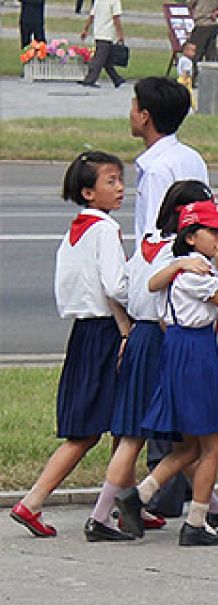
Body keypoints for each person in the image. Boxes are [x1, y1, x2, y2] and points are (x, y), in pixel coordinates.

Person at [89, 181, 218, 542]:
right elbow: (165, 298)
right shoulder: (177, 256)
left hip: (140, 334)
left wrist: (126, 329)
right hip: (162, 339)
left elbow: (120, 287)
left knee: (182, 436)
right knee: (138, 434)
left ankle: (208, 503)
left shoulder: (149, 243)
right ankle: (104, 513)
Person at [10, 153, 129, 540]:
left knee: (102, 424)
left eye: (120, 180)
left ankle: (122, 504)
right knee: (109, 427)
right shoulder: (106, 230)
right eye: (110, 181)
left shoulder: (75, 231)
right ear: (88, 191)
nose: (120, 188)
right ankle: (39, 501)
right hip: (108, 331)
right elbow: (115, 286)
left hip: (83, 332)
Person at [115, 200, 218, 547]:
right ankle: (197, 520)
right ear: (190, 237)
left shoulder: (177, 266)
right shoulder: (197, 272)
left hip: (178, 348)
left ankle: (139, 494)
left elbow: (154, 284)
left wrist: (183, 266)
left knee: (188, 446)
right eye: (213, 231)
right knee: (212, 443)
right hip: (195, 351)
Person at [131, 77, 208, 255]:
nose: (130, 114)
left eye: (134, 107)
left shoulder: (157, 170)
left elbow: (154, 237)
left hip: (165, 269)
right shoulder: (193, 157)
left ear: (145, 117)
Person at [79, 0, 125, 89]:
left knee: (105, 59)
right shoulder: (115, 1)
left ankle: (116, 79)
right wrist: (120, 35)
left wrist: (85, 29)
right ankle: (91, 79)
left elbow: (92, 16)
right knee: (100, 59)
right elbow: (116, 18)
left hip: (98, 32)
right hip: (107, 34)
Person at [188, 0, 218, 69]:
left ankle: (193, 75)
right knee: (211, 55)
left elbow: (190, 5)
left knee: (195, 54)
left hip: (201, 25)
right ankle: (211, 75)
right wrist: (217, 13)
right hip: (213, 26)